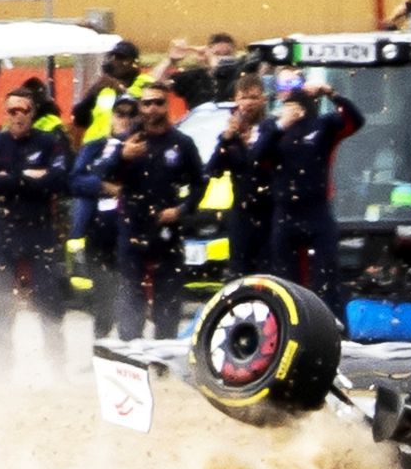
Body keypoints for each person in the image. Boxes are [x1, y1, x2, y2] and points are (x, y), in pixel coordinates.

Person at [101, 83, 206, 340]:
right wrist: (123, 156)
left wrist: (182, 209)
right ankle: (130, 356)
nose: (152, 108)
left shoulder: (181, 143)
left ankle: (162, 361)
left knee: (168, 302)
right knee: (130, 296)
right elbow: (102, 175)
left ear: (167, 104)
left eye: (158, 102)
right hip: (132, 227)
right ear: (140, 106)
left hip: (167, 228)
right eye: (147, 103)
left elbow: (200, 182)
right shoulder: (127, 140)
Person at [256, 85, 365, 323]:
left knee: (326, 273)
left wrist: (332, 93)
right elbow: (257, 156)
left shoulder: (322, 126)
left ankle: (334, 325)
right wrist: (281, 124)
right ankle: (288, 323)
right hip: (285, 211)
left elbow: (356, 120)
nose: (286, 109)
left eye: (291, 105)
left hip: (316, 210)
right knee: (285, 277)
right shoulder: (272, 129)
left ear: (303, 109)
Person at [0, 87, 70, 368]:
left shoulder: (49, 142)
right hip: (6, 231)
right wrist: (27, 177)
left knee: (50, 302)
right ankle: (0, 369)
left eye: (24, 111)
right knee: (1, 304)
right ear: (5, 113)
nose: (18, 116)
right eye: (12, 111)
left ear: (33, 114)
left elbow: (57, 180)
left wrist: (11, 180)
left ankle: (57, 366)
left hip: (40, 230)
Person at [68, 94, 138, 338]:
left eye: (131, 114)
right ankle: (100, 347)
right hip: (98, 229)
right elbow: (75, 181)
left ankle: (130, 347)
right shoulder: (96, 146)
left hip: (131, 229)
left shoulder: (143, 147)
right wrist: (104, 186)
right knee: (102, 296)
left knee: (129, 293)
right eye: (121, 114)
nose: (125, 120)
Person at [205, 73, 275, 277]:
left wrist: (248, 144)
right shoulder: (229, 136)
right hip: (241, 214)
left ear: (263, 100)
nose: (249, 103)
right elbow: (213, 170)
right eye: (244, 98)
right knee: (239, 271)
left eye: (254, 98)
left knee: (268, 272)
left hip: (269, 213)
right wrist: (227, 139)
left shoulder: (271, 130)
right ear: (236, 100)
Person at [72, 40, 154, 144]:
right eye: (113, 57)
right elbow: (80, 118)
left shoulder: (144, 82)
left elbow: (146, 111)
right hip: (96, 146)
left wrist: (119, 89)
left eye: (121, 58)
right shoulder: (105, 89)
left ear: (134, 62)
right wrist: (93, 91)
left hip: (129, 144)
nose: (115, 62)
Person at [150, 32, 241, 109]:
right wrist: (170, 60)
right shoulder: (193, 77)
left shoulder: (241, 76)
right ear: (207, 55)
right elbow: (155, 84)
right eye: (217, 54)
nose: (222, 58)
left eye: (227, 54)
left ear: (234, 55)